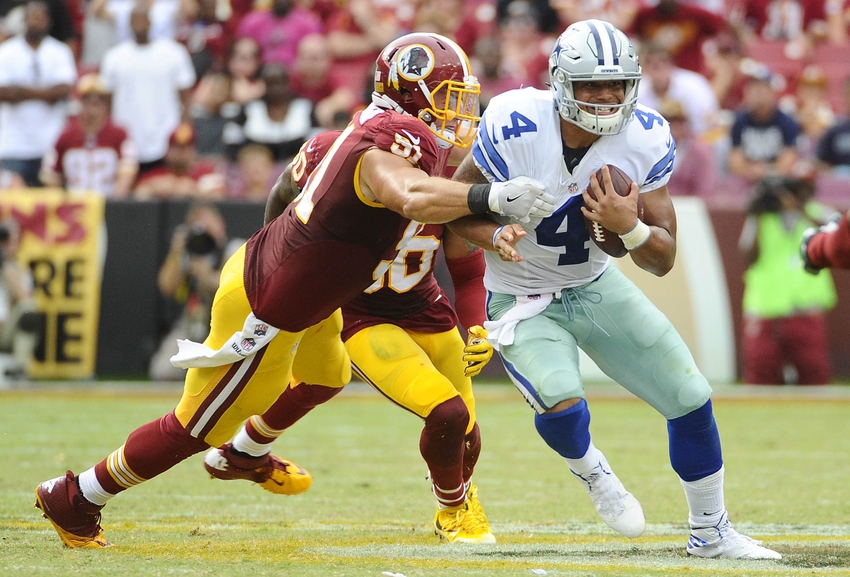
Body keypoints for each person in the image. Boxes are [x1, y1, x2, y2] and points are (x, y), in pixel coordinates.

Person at [33, 31, 553, 549]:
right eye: (448, 98)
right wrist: (494, 194)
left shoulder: (369, 134)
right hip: (269, 304)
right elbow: (409, 194)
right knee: (196, 427)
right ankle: (78, 496)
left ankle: (247, 453)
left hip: (306, 294)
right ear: (410, 96)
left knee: (328, 374)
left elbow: (288, 190)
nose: (459, 113)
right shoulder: (389, 141)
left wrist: (285, 244)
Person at [448, 19, 782, 559]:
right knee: (560, 400)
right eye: (590, 85)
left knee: (690, 396)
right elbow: (452, 206)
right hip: (522, 296)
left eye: (616, 85)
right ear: (560, 83)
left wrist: (628, 226)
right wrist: (494, 231)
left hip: (594, 284)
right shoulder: (514, 122)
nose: (606, 97)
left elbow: (663, 257)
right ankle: (593, 472)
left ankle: (711, 532)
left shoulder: (644, 137)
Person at [204, 129, 504, 543]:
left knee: (466, 433)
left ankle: (243, 451)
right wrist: (278, 268)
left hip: (425, 306)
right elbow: (282, 192)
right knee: (444, 412)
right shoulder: (345, 149)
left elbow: (467, 270)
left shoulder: (452, 172)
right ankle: (452, 511)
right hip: (362, 313)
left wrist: (476, 325)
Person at [739, 175, 837, 384]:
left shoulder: (816, 212)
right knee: (760, 371)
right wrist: (755, 213)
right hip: (765, 306)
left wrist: (799, 209)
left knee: (814, 372)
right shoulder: (761, 216)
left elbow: (838, 239)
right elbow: (748, 256)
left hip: (805, 305)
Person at [149, 202, 241, 381]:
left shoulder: (234, 248)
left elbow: (238, 286)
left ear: (220, 224)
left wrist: (207, 276)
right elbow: (166, 287)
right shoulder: (188, 253)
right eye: (197, 226)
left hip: (227, 329)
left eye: (207, 224)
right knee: (163, 371)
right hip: (192, 326)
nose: (202, 231)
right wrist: (177, 251)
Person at [100, 5, 196, 176]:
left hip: (165, 138)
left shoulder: (174, 53)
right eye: (134, 21)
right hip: (127, 137)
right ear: (128, 24)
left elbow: (186, 97)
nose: (139, 25)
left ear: (151, 22)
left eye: (143, 20)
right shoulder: (114, 57)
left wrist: (185, 126)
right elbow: (106, 100)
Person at [0, 0, 76, 187]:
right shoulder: (7, 51)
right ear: (24, 20)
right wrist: (46, 93)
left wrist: (20, 92)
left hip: (49, 141)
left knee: (49, 203)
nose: (36, 23)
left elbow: (64, 90)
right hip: (13, 143)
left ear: (49, 21)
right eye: (33, 17)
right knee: (14, 205)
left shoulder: (59, 51)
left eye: (41, 18)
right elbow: (3, 92)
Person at [40, 73, 138, 197]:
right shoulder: (66, 136)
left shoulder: (119, 134)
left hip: (108, 201)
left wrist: (114, 204)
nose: (93, 104)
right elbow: (51, 175)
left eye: (99, 99)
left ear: (106, 103)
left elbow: (127, 170)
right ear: (80, 102)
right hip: (75, 206)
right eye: (88, 99)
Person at [727, 66, 801, 184]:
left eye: (763, 88)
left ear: (773, 91)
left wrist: (766, 171)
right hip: (746, 182)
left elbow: (789, 159)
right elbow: (735, 161)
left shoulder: (786, 122)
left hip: (778, 182)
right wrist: (751, 171)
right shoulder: (740, 121)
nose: (758, 93)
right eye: (754, 88)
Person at [134, 122, 225, 199]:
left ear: (193, 150)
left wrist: (193, 190)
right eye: (176, 148)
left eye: (185, 148)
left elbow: (219, 196)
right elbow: (138, 196)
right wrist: (153, 188)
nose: (180, 153)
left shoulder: (206, 172)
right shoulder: (154, 173)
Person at [0, 217, 43, 381]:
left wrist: (5, 265)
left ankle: (20, 367)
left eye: (11, 241)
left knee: (29, 308)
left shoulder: (18, 270)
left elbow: (24, 298)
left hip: (5, 330)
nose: (7, 245)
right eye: (4, 241)